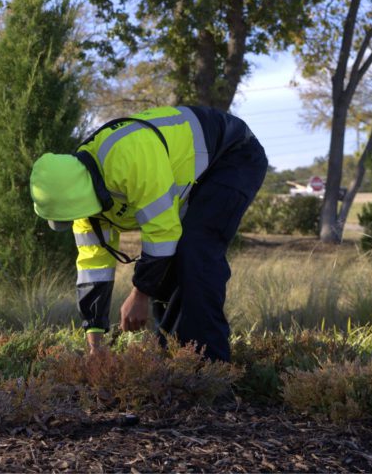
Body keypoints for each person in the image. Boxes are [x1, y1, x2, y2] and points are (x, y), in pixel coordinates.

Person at [29, 105, 267, 362]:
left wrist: (139, 294)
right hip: (192, 174)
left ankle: (210, 371)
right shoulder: (81, 199)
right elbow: (92, 269)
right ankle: (176, 359)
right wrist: (95, 344)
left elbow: (162, 233)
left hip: (233, 154)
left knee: (195, 252)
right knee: (167, 268)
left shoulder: (131, 159)